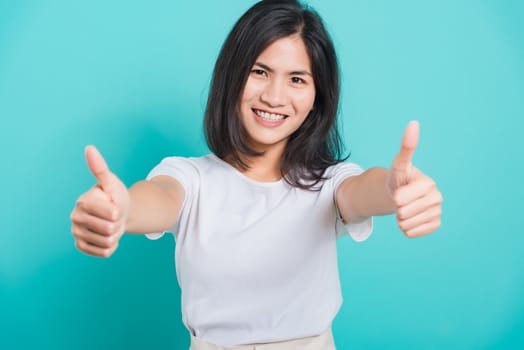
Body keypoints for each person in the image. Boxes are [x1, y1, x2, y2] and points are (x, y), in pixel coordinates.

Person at [70, 0, 443, 349]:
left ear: (317, 97)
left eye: (297, 79)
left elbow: (363, 191)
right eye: (259, 72)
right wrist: (120, 210)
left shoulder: (329, 184)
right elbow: (158, 199)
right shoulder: (190, 178)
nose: (275, 97)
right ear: (232, 77)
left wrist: (395, 190)